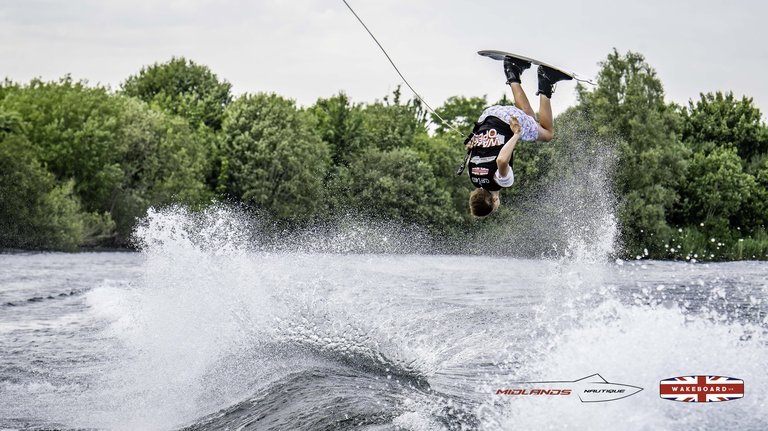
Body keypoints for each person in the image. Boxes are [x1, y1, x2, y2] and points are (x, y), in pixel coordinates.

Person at [465, 56, 572, 217]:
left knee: (547, 133)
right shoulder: (473, 176)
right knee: (527, 116)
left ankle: (546, 80)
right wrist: (471, 142)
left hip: (504, 120)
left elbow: (501, 160)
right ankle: (512, 69)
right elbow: (472, 150)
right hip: (487, 116)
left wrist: (516, 134)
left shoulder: (502, 181)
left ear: (494, 202)